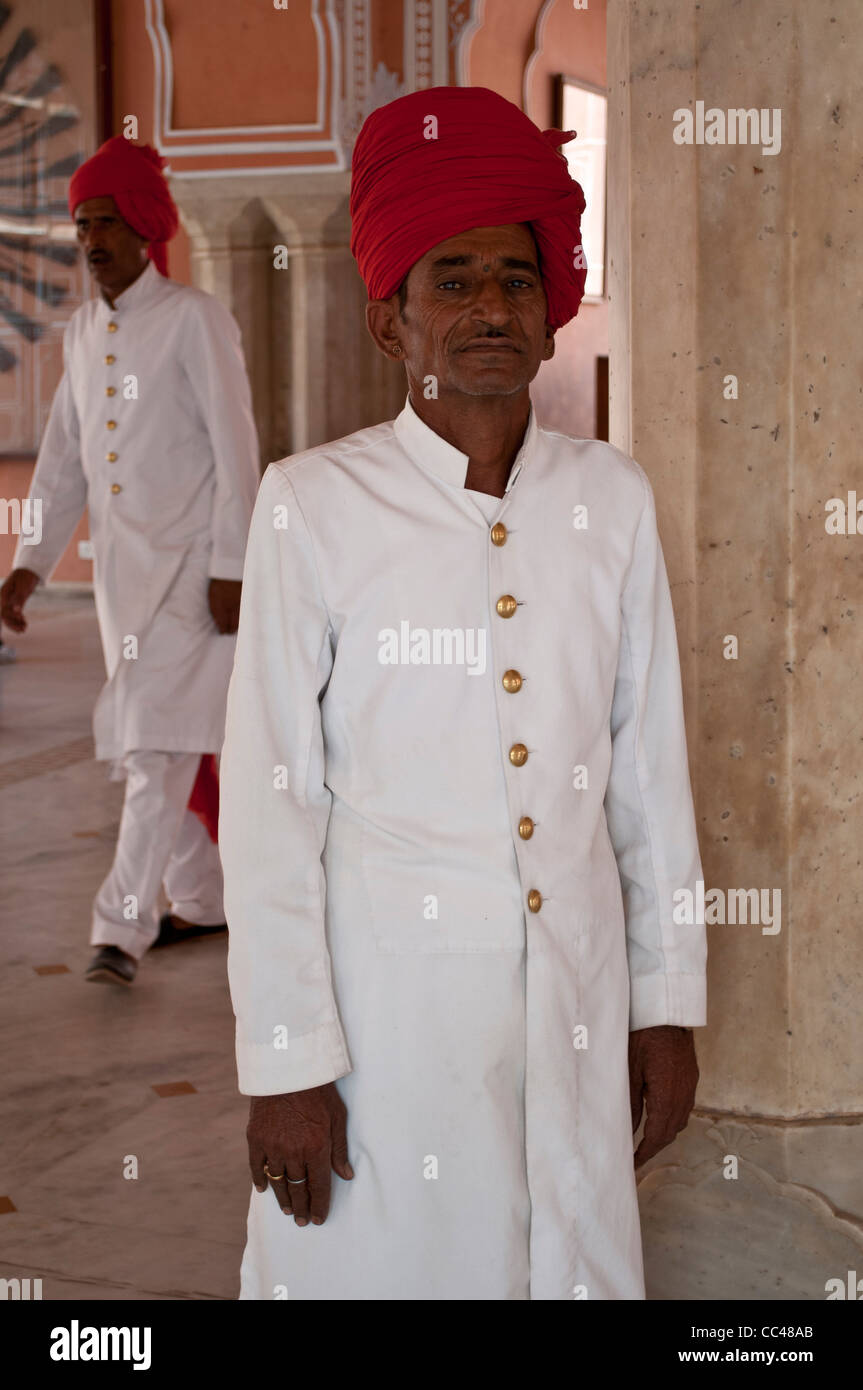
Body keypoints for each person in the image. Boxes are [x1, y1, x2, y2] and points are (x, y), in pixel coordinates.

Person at [219, 86, 707, 1300]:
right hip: (390, 1024)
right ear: (391, 323)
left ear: (552, 318)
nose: (490, 305)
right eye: (452, 279)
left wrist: (663, 1002)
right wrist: (284, 1058)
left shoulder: (613, 499)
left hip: (576, 997)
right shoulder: (312, 504)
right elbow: (274, 804)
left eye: (515, 278)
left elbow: (647, 769)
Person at [0, 137, 260, 986]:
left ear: (146, 225)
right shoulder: (81, 334)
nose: (94, 238)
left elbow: (236, 449)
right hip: (120, 583)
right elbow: (63, 461)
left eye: (108, 220)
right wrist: (30, 564)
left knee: (152, 749)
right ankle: (205, 897)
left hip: (192, 576)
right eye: (82, 224)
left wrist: (233, 565)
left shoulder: (195, 319)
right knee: (161, 742)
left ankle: (119, 928)